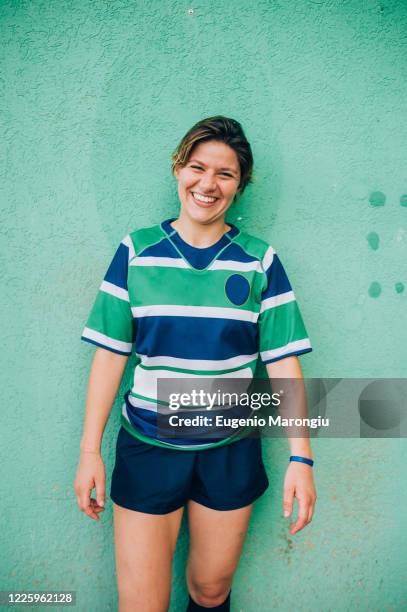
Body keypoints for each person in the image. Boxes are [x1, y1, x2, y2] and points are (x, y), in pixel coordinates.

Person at [74, 116, 317, 612]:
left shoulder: (259, 262)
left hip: (229, 450)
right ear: (178, 170)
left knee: (210, 590)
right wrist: (89, 451)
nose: (208, 184)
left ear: (240, 186)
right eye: (197, 167)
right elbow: (110, 355)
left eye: (225, 174)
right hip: (147, 445)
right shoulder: (137, 251)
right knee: (142, 604)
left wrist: (301, 457)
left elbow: (284, 363)